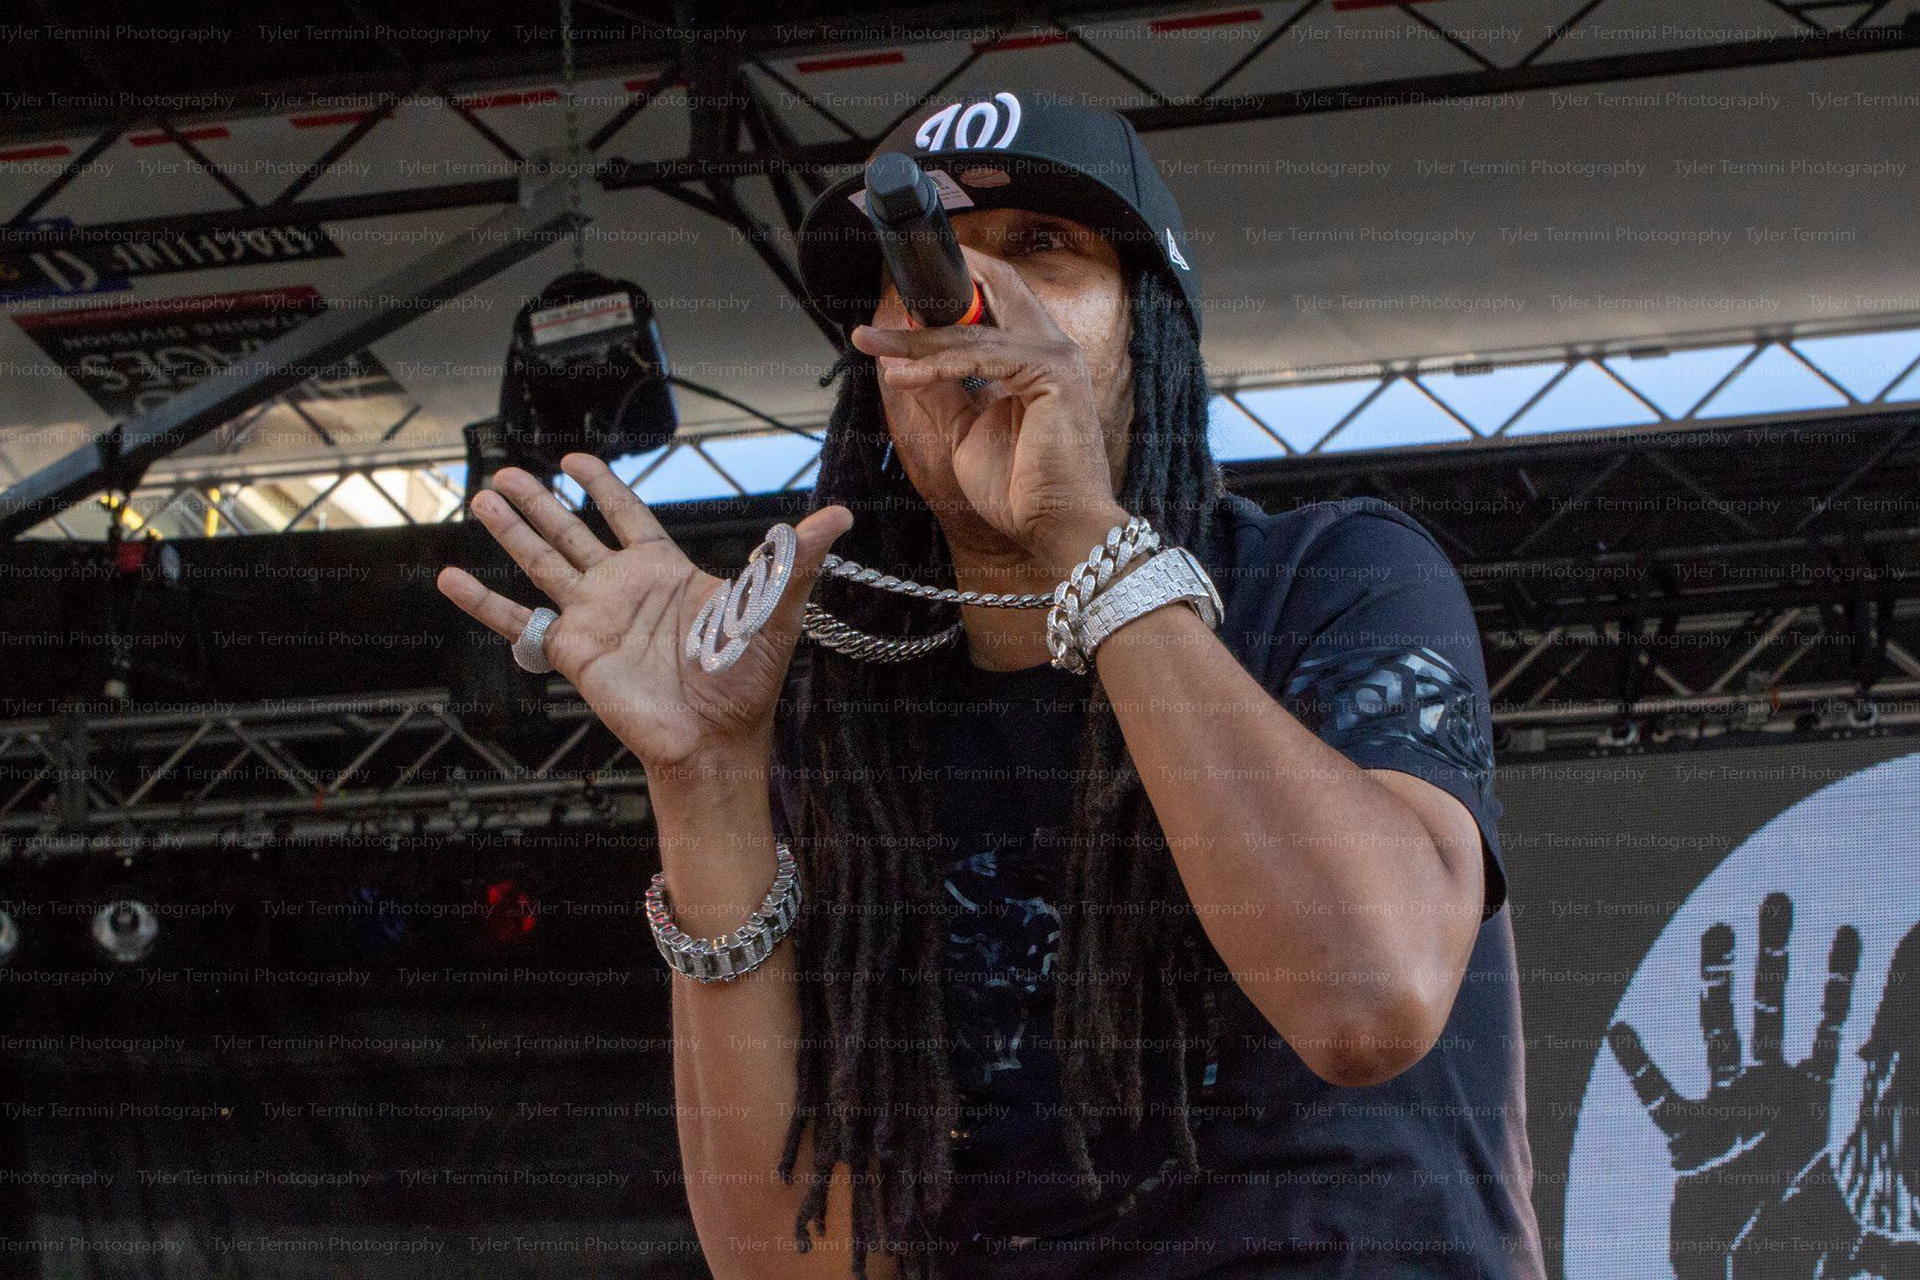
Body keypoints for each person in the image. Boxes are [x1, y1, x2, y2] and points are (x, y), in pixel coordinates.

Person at [437, 95, 1544, 1279]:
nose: (964, 300)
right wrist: (704, 780)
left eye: (1042, 248)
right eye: (919, 271)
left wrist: (1076, 526)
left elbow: (1368, 1001)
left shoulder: (1334, 576)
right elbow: (792, 1264)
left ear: (1154, 330)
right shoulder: (845, 718)